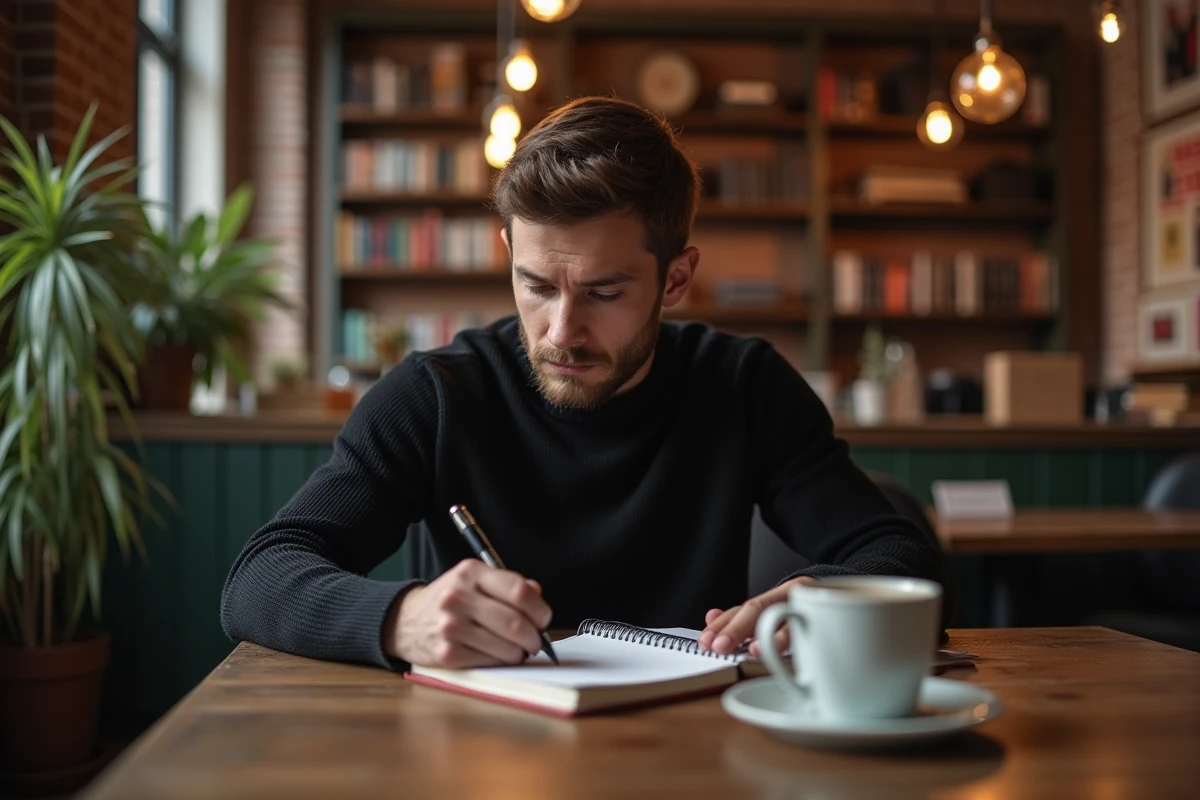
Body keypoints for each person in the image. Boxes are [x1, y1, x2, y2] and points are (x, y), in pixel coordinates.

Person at [220, 96, 948, 671]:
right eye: (536, 286)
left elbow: (900, 557)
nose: (561, 331)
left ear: (676, 279)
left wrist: (825, 601)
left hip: (693, 752)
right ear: (508, 251)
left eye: (603, 293)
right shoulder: (435, 396)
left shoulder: (744, 386)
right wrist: (399, 619)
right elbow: (258, 578)